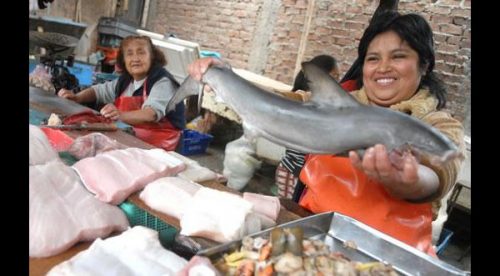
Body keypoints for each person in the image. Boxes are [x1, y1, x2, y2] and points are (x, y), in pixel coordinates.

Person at [186, 10, 465, 256]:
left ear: (424, 64)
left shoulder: (439, 124)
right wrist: (226, 77)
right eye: (373, 58)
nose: (383, 67)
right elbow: (282, 101)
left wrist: (412, 182)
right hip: (308, 229)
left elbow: (441, 172)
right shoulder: (334, 105)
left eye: (399, 56)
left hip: (385, 256)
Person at [58, 35, 185, 151]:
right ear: (123, 60)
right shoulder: (125, 80)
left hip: (163, 150)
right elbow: (99, 91)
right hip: (136, 143)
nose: (135, 58)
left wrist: (119, 115)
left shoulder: (162, 81)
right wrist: (77, 97)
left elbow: (150, 114)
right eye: (129, 54)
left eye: (141, 53)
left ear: (152, 57)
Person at [276, 54, 341, 199]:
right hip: (292, 172)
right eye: (334, 77)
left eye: (338, 78)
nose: (338, 82)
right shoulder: (305, 98)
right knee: (288, 214)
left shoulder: (327, 104)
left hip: (305, 175)